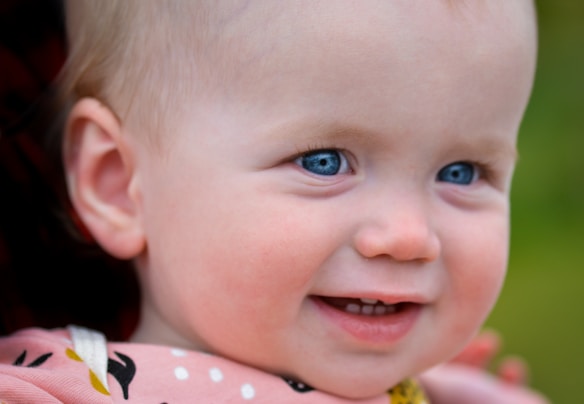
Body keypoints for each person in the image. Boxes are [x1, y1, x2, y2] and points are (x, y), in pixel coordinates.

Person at [0, 0, 547, 402]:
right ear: (117, 184)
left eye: (461, 171)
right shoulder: (62, 389)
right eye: (323, 162)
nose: (408, 236)